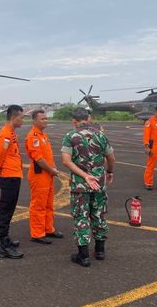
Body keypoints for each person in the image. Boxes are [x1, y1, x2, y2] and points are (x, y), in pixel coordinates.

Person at [61, 107, 115, 267]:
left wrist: (84, 175)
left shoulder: (70, 136)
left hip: (80, 185)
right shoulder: (100, 135)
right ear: (88, 118)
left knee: (81, 216)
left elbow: (66, 160)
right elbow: (111, 157)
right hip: (99, 182)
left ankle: (83, 255)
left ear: (74, 121)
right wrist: (109, 172)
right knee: (99, 214)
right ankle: (100, 251)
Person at [0, 105, 24, 259]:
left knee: (10, 208)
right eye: (21, 117)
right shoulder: (5, 135)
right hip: (9, 176)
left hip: (14, 175)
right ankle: (3, 244)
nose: (22, 120)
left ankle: (5, 238)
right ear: (13, 118)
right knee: (5, 209)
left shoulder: (11, 133)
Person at [24, 110, 62, 245]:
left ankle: (48, 228)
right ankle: (37, 233)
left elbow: (48, 155)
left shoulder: (43, 135)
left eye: (46, 118)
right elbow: (39, 159)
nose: (45, 121)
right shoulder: (33, 136)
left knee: (48, 204)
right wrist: (52, 170)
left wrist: (53, 168)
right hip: (39, 175)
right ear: (34, 121)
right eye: (42, 119)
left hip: (48, 173)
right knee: (39, 205)